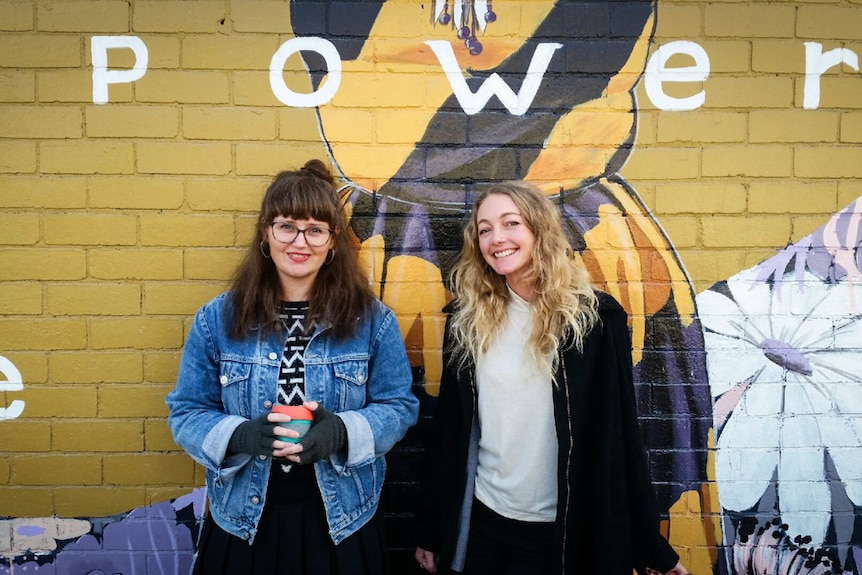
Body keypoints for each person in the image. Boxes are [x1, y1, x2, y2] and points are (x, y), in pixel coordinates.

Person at [413, 181, 688, 575]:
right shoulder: (468, 319)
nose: (497, 238)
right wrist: (432, 529)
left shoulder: (593, 321)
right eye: (485, 228)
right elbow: (450, 433)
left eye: (511, 224)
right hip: (482, 525)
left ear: (538, 231)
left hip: (559, 534)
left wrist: (649, 544)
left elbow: (620, 435)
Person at [166, 159, 419, 575]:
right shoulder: (217, 321)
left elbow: (398, 406)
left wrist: (340, 431)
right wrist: (241, 436)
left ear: (332, 241)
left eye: (315, 229)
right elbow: (187, 412)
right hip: (244, 523)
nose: (300, 241)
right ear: (267, 233)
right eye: (287, 226)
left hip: (342, 521)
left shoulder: (372, 322)